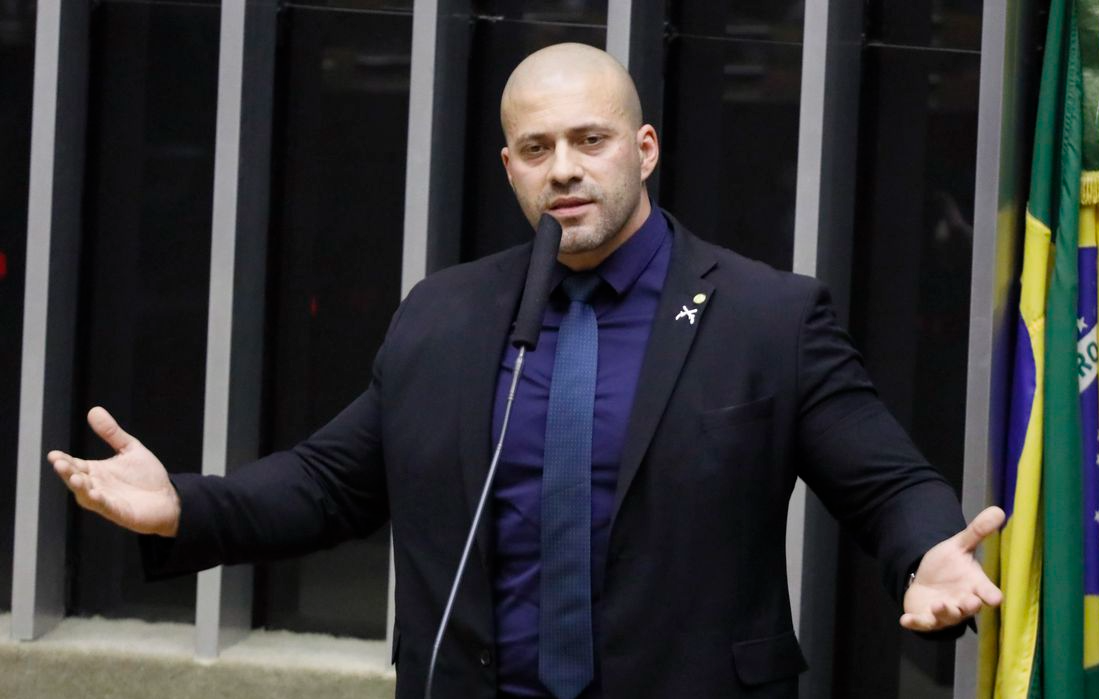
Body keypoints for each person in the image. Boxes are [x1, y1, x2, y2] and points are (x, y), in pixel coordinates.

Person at [48, 43, 1004, 699]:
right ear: (509, 166)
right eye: (537, 150)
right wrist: (180, 503)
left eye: (589, 141)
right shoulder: (446, 312)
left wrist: (928, 551)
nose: (564, 170)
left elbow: (886, 484)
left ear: (644, 150)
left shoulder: (766, 315)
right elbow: (332, 481)